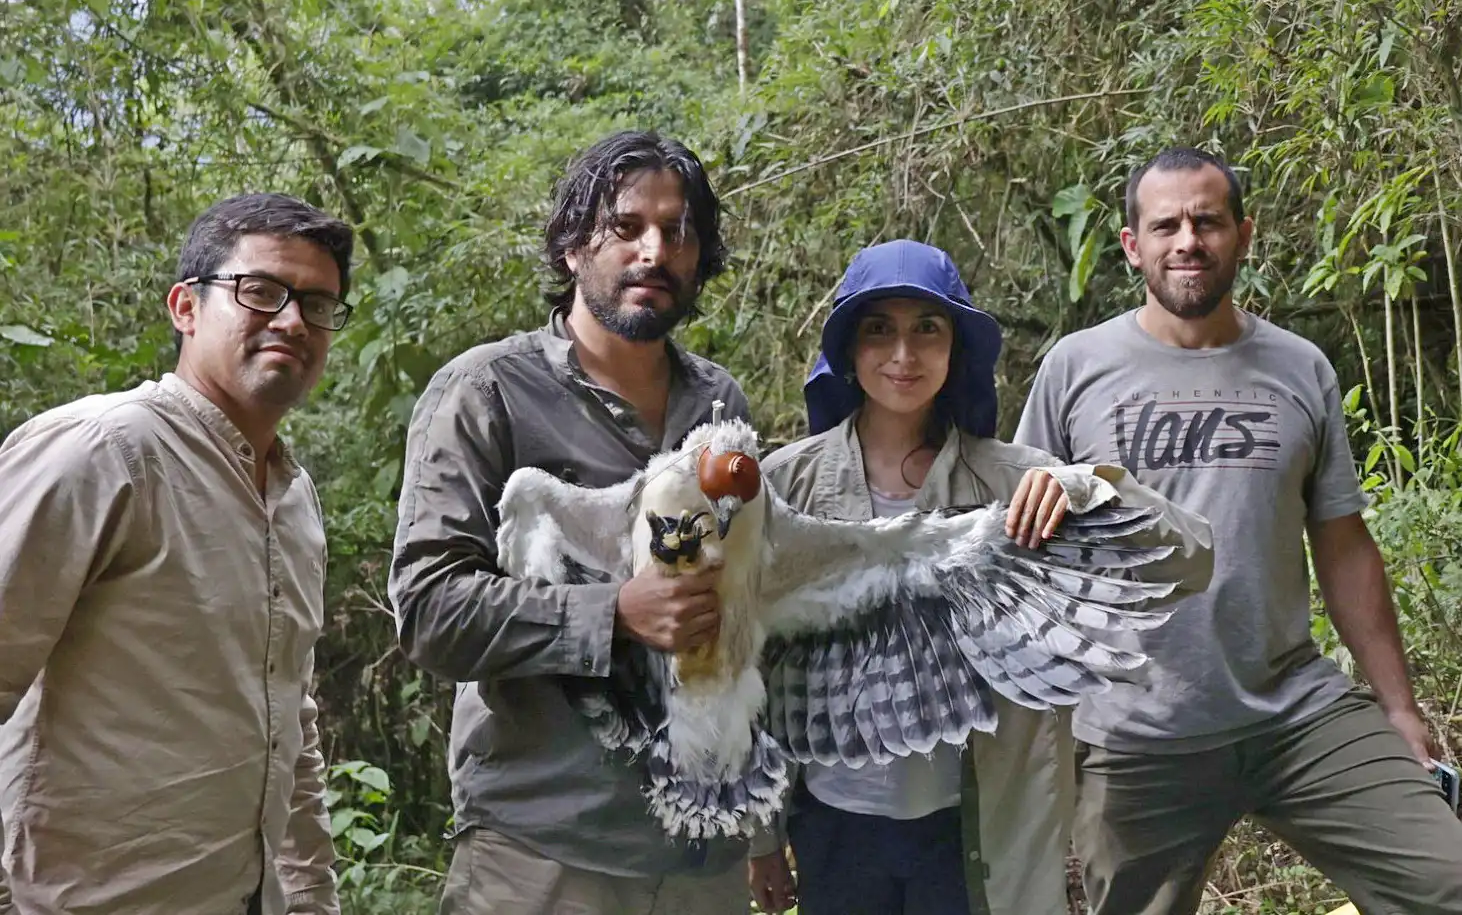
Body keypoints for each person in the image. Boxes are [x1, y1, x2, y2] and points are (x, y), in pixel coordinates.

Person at [1014, 146, 1462, 915]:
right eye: (1166, 225)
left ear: (1242, 235)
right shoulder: (1074, 367)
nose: (1188, 239)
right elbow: (1022, 549)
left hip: (1295, 710)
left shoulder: (1299, 367)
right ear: (1133, 246)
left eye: (1207, 221)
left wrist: (1398, 707)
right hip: (1134, 735)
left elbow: (1345, 547)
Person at [744, 239, 1214, 915]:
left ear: (955, 350)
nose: (903, 355)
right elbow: (746, 668)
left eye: (926, 330)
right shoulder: (786, 487)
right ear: (848, 347)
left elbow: (1190, 560)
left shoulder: (1017, 483)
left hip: (973, 833)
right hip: (834, 826)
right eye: (879, 329)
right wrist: (762, 836)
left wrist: (1086, 489)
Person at [389, 130, 754, 915]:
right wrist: (612, 614)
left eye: (678, 232)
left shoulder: (719, 405)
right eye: (626, 227)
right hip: (545, 855)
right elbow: (427, 611)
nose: (654, 250)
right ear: (570, 248)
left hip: (702, 858)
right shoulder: (487, 392)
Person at [0, 192, 353, 914]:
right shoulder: (103, 452)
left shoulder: (293, 499)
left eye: (318, 304)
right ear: (186, 308)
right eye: (260, 291)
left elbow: (291, 716)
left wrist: (311, 895)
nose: (292, 319)